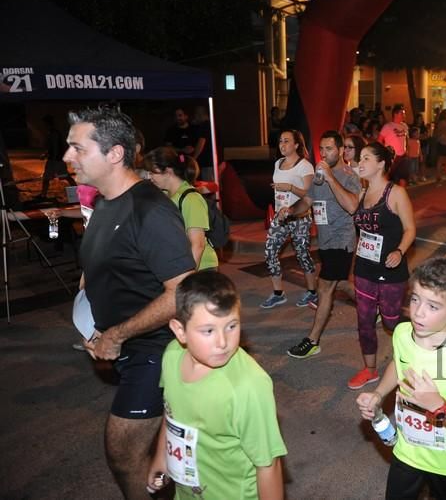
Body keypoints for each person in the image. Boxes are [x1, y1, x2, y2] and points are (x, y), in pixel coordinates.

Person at [63, 106, 195, 499]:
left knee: (122, 451)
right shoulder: (105, 202)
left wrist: (117, 334)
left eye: (77, 148)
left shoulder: (149, 210)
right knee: (155, 456)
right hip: (120, 343)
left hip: (154, 349)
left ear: (115, 153)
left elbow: (182, 290)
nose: (68, 157)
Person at [147, 271, 286, 499]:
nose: (223, 342)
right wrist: (161, 457)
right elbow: (171, 410)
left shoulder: (249, 386)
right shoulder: (172, 356)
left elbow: (268, 464)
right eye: (208, 331)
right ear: (180, 331)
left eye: (232, 326)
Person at [356, 258, 446, 499]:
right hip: (408, 451)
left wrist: (438, 406)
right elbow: (399, 364)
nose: (418, 312)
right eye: (415, 299)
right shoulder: (403, 333)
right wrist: (379, 393)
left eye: (433, 306)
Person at [284, 131, 361, 358]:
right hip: (325, 241)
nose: (324, 154)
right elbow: (307, 202)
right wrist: (290, 211)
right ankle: (373, 308)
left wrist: (330, 177)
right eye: (322, 149)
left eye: (329, 149)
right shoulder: (318, 177)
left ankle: (313, 340)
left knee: (325, 287)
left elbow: (352, 207)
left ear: (339, 150)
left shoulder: (348, 175)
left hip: (342, 240)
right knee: (341, 284)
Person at [348, 142, 416, 390]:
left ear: (380, 164)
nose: (360, 163)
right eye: (359, 158)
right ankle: (370, 370)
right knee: (364, 321)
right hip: (364, 268)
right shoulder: (361, 193)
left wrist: (399, 250)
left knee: (390, 321)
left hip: (391, 270)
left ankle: (415, 353)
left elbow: (410, 229)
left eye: (366, 158)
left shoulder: (395, 193)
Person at [260, 130, 318, 309]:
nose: (282, 145)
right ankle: (278, 293)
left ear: (296, 145)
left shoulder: (305, 166)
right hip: (280, 216)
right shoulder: (278, 163)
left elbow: (310, 194)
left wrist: (290, 187)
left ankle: (312, 292)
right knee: (270, 252)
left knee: (302, 254)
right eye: (280, 141)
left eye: (286, 141)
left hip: (300, 217)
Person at [143, 147, 219, 271]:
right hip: (178, 265)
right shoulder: (165, 195)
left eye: (152, 172)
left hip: (200, 268)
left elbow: (198, 245)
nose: (149, 177)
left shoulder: (191, 199)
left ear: (168, 171)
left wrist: (187, 277)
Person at [38, 114, 76, 199]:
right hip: (56, 160)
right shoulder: (53, 132)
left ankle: (76, 193)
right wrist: (46, 155)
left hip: (55, 161)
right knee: (48, 178)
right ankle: (43, 195)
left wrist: (53, 159)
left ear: (47, 123)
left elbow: (55, 147)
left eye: (44, 124)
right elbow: (53, 147)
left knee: (65, 177)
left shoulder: (53, 133)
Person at [379, 104, 410, 187]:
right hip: (391, 156)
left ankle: (401, 195)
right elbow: (379, 140)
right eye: (402, 113)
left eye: (404, 113)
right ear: (395, 114)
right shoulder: (388, 126)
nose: (404, 115)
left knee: (403, 177)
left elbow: (406, 139)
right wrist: (385, 152)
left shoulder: (404, 126)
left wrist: (407, 150)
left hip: (402, 156)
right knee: (389, 177)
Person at [192, 105, 218, 182]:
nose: (195, 117)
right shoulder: (213, 125)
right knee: (214, 186)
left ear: (199, 114)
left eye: (196, 115)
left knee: (209, 187)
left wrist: (193, 158)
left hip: (207, 163)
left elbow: (201, 143)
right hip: (214, 162)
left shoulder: (204, 126)